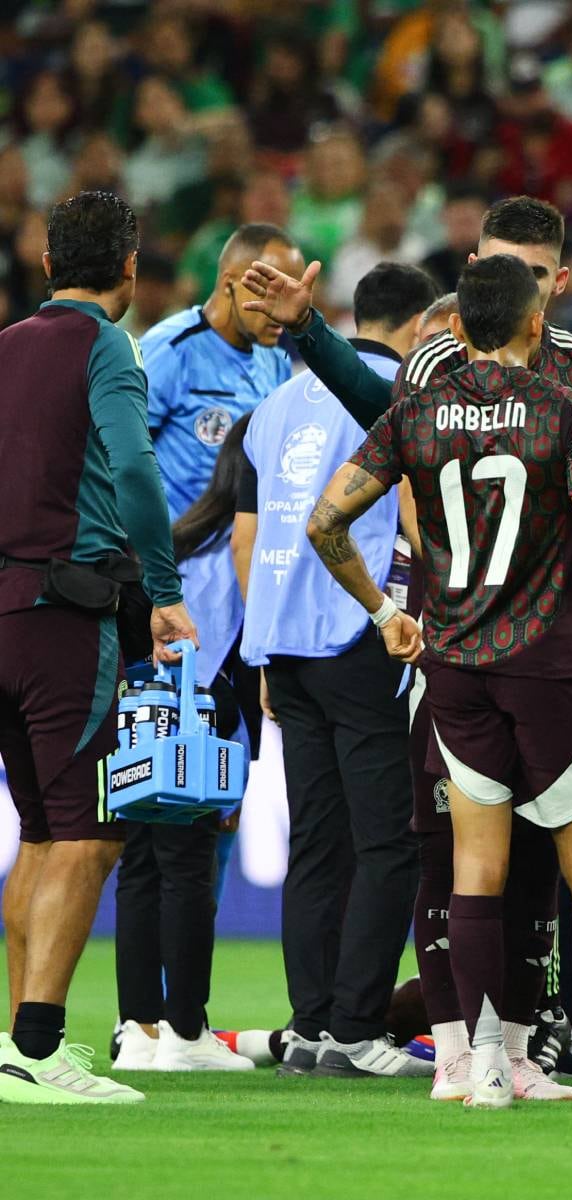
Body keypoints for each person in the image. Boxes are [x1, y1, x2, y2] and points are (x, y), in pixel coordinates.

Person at [238, 196, 572, 1093]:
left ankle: (491, 1062)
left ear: (552, 283)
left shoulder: (443, 392)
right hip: (546, 656)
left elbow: (352, 483)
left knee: (475, 868)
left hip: (451, 656)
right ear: (531, 304)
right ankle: (563, 1062)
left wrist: (386, 611)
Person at [0, 190, 197, 1104]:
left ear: (46, 266)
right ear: (129, 268)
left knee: (42, 832)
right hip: (64, 613)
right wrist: (163, 590)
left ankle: (18, 1050)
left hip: (2, 607)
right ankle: (37, 1048)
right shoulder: (105, 347)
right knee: (91, 831)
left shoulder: (5, 346)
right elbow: (132, 467)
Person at [234, 261, 441, 1080]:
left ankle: (313, 1025)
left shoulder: (273, 408)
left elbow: (250, 537)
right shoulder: (402, 399)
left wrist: (257, 643)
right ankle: (358, 1028)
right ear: (421, 327)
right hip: (362, 636)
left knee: (318, 844)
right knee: (388, 841)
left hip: (281, 642)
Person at [111, 415, 255, 1074]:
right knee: (189, 872)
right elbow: (237, 651)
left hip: (135, 716)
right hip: (200, 718)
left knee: (141, 869)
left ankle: (137, 1029)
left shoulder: (171, 542)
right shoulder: (244, 545)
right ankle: (186, 1032)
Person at [141, 223, 302, 520]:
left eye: (292, 294)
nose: (285, 311)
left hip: (241, 551)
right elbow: (117, 455)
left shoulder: (277, 362)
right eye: (271, 292)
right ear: (230, 283)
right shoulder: (171, 349)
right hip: (177, 553)